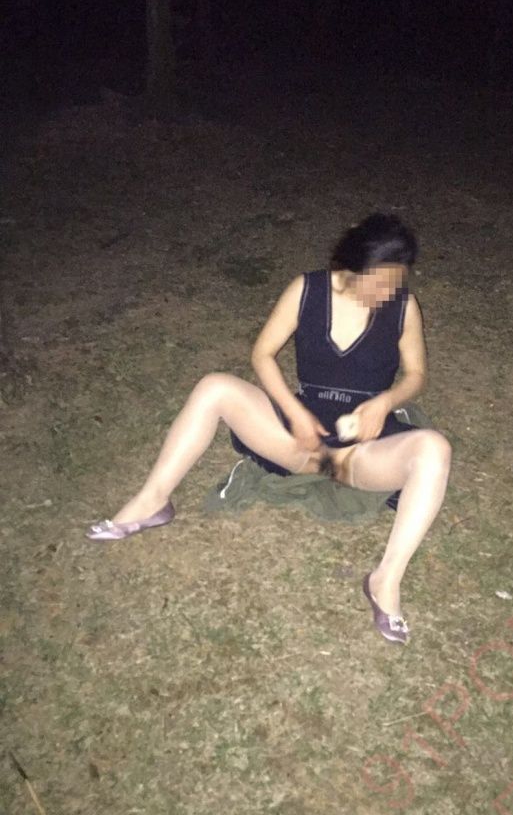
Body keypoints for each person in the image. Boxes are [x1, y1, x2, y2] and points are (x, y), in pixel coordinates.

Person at [86, 213, 452, 644]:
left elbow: (416, 375)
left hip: (358, 455)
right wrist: (294, 413)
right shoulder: (307, 290)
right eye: (381, 282)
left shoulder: (403, 307)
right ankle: (153, 501)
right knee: (214, 387)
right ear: (354, 265)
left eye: (396, 283)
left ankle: (384, 580)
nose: (388, 293)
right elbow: (262, 354)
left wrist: (384, 402)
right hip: (297, 440)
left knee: (434, 449)